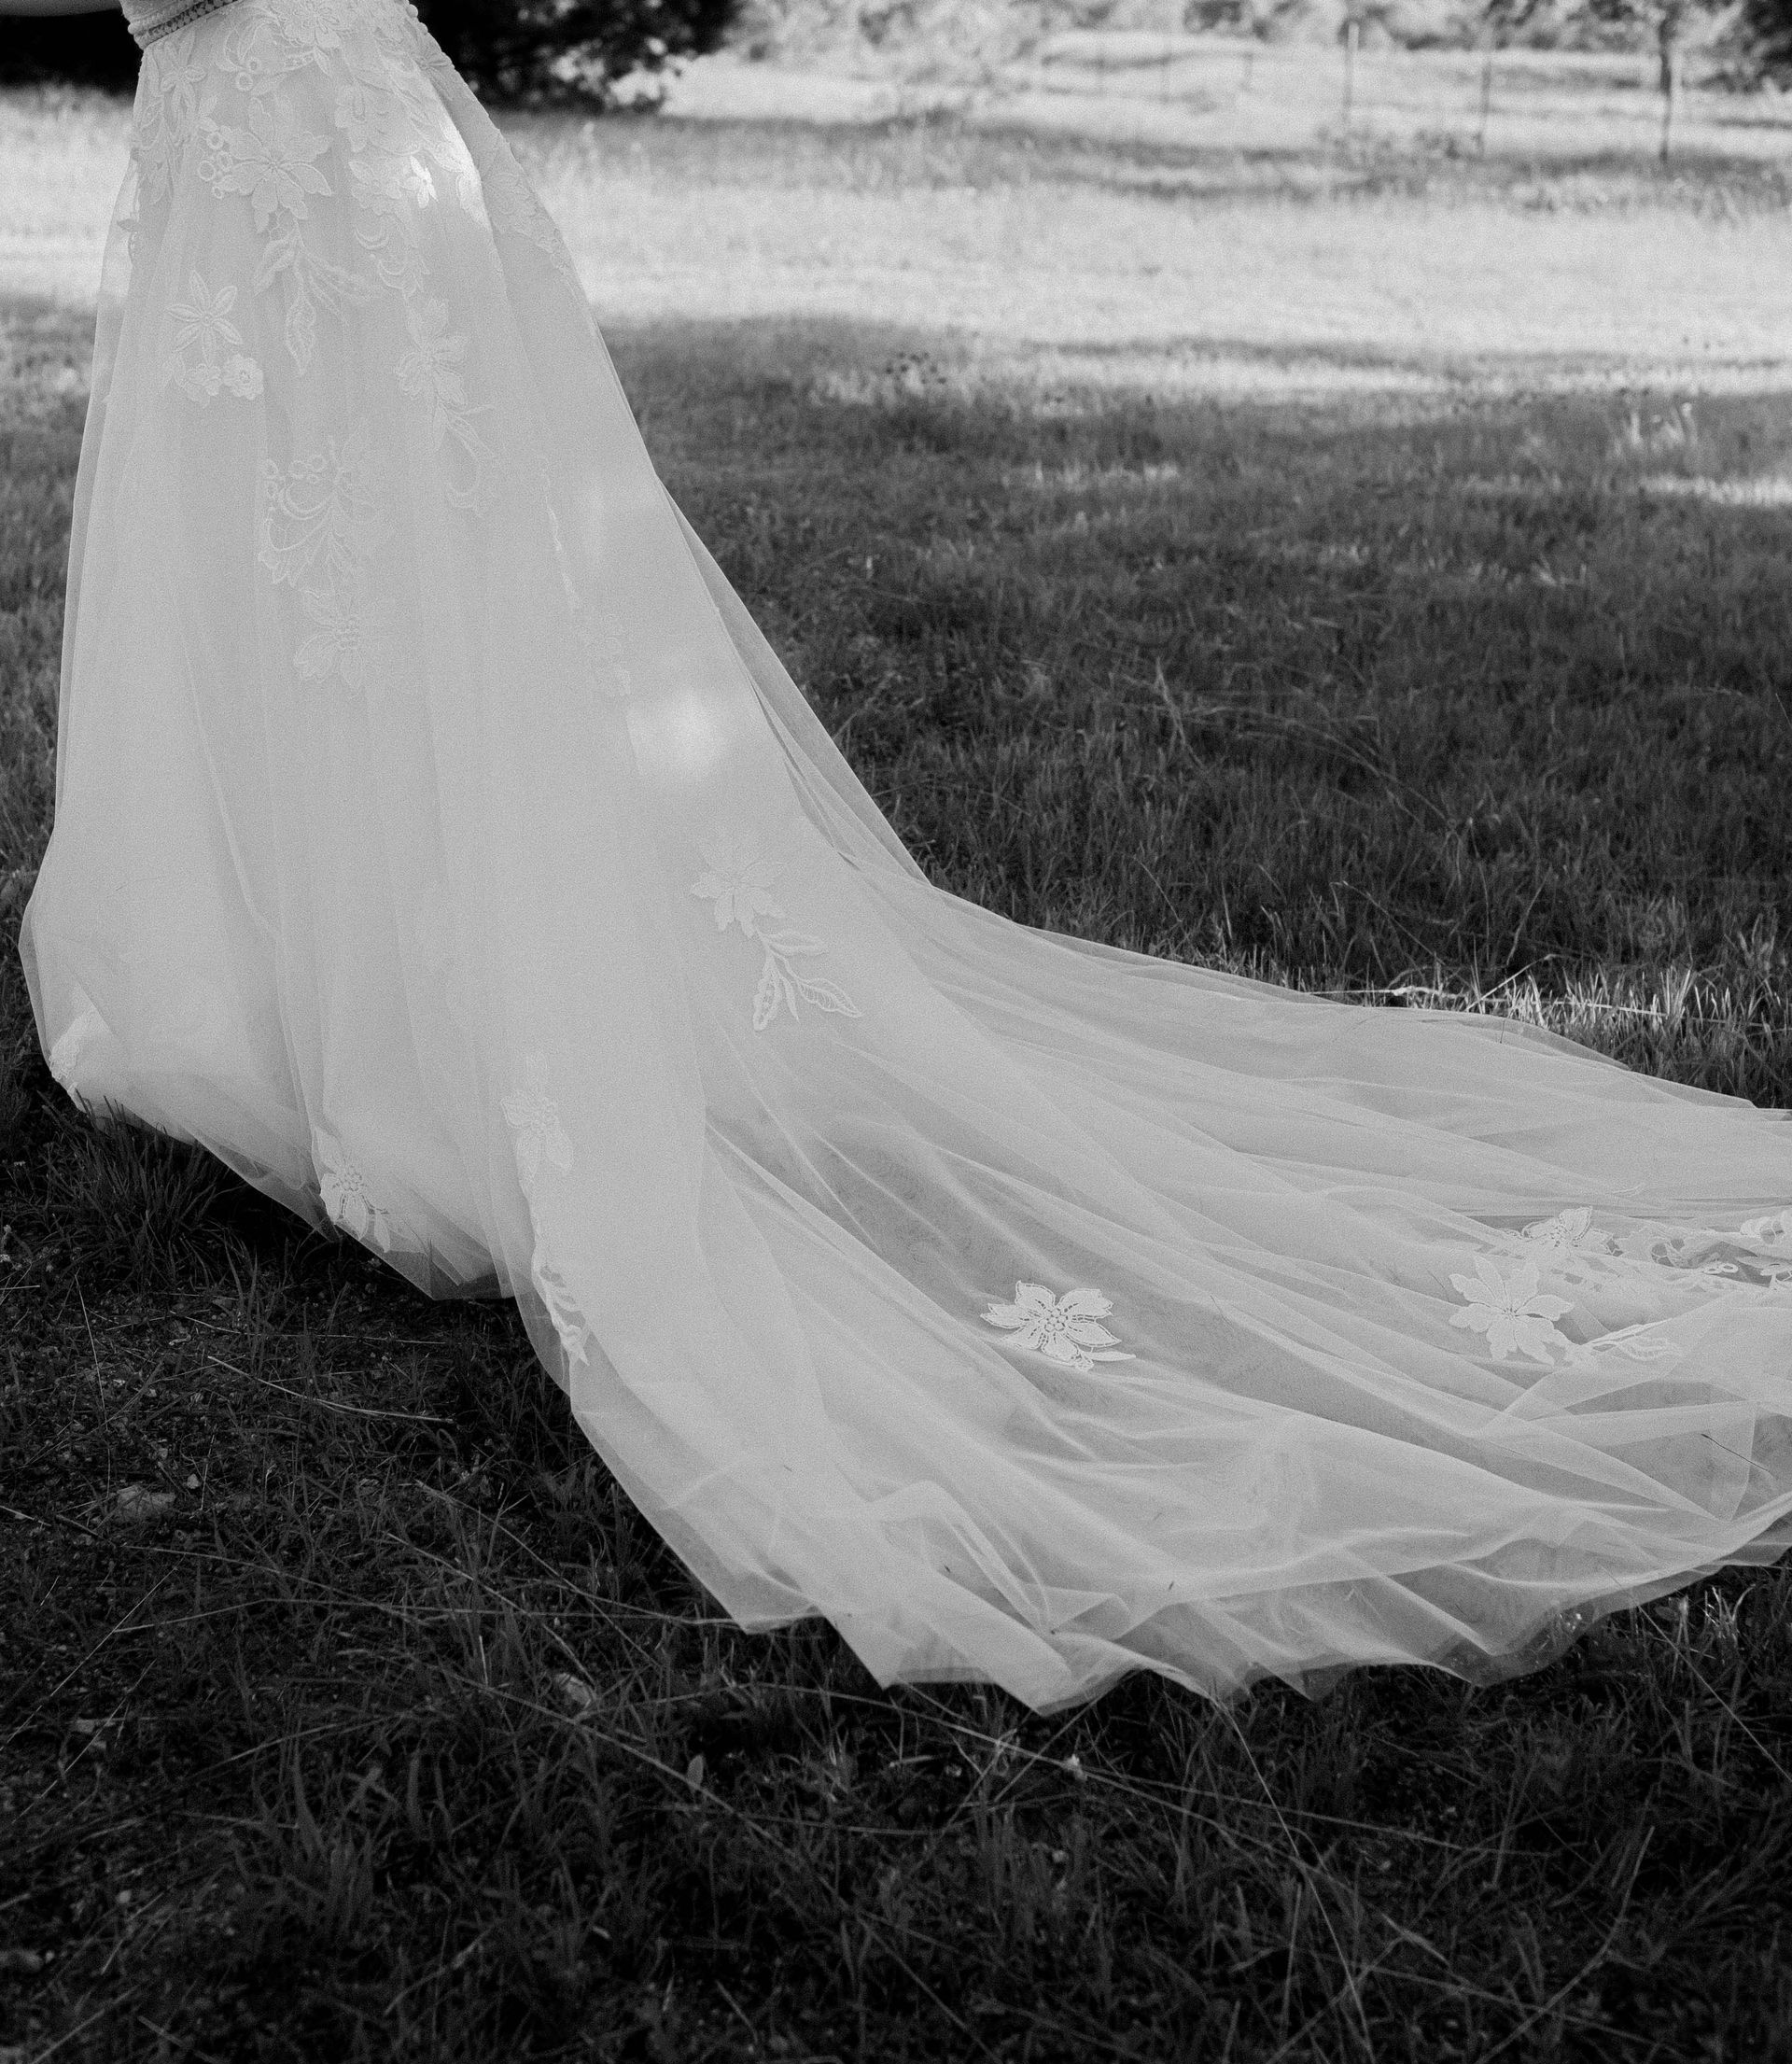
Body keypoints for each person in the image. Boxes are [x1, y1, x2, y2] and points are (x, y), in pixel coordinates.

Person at [12, 0, 1792, 1715]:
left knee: (375, 608)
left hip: (297, 136)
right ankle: (325, 992)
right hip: (305, 124)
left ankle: (400, 1027)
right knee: (352, 611)